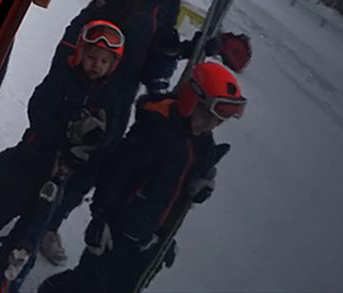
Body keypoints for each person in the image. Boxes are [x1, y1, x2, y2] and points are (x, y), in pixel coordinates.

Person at [38, 0, 201, 263]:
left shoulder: (170, 5)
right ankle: (23, 203)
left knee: (92, 167)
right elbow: (79, 30)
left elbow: (156, 61)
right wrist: (63, 78)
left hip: (121, 98)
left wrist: (181, 50)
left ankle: (50, 224)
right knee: (58, 151)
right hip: (90, 86)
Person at [38, 62, 245, 293]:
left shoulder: (203, 144)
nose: (210, 125)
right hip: (119, 228)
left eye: (217, 121)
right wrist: (100, 216)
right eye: (206, 115)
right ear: (190, 101)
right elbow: (117, 172)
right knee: (92, 282)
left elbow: (180, 192)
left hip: (149, 236)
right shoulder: (157, 131)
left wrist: (200, 189)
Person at [0, 21, 127, 291]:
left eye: (103, 61)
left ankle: (3, 282)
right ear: (80, 53)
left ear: (112, 65)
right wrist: (64, 134)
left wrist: (92, 142)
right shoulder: (63, 77)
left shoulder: (111, 97)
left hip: (58, 180)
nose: (95, 65)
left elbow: (111, 136)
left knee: (26, 241)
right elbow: (38, 107)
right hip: (31, 162)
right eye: (90, 57)